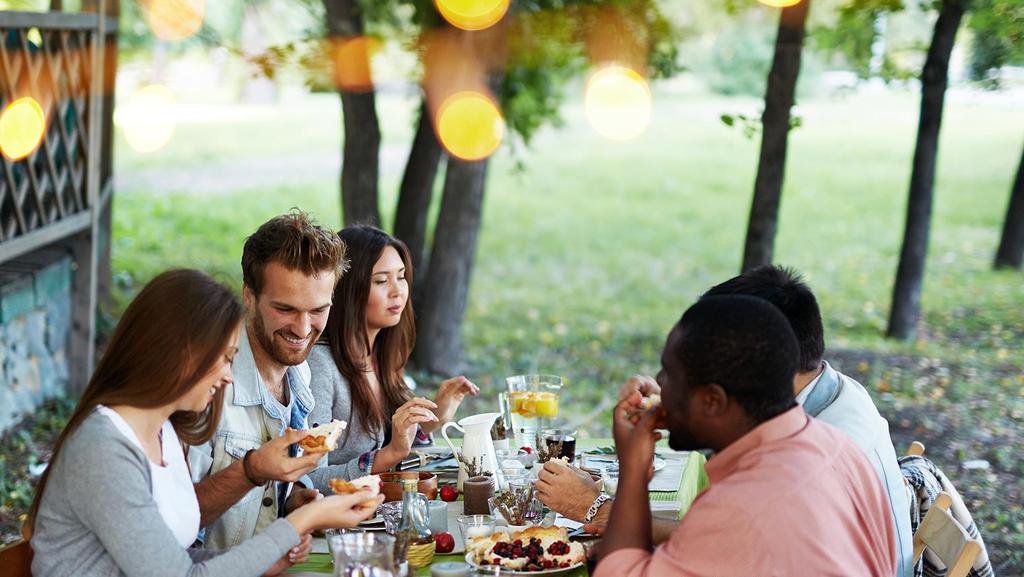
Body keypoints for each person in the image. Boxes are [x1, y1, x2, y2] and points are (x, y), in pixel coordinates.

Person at [539, 266, 913, 576]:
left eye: (672, 375)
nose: (661, 388)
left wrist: (633, 472)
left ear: (713, 399)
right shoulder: (831, 444)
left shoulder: (750, 501)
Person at [28, 270, 380, 577]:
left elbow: (169, 556)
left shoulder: (162, 432)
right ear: (182, 353)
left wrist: (258, 561)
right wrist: (304, 522)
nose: (228, 376)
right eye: (225, 359)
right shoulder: (102, 449)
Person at [189, 210, 349, 550]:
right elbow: (173, 522)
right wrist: (251, 472)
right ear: (249, 296)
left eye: (318, 310)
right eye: (286, 309)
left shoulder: (299, 372)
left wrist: (291, 501)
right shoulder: (206, 386)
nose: (304, 330)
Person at [306, 225, 478, 488]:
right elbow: (308, 481)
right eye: (381, 281)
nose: (398, 291)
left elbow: (394, 446)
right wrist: (389, 455)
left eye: (401, 276)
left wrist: (432, 422)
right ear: (348, 289)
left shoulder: (384, 355)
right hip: (342, 525)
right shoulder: (320, 367)